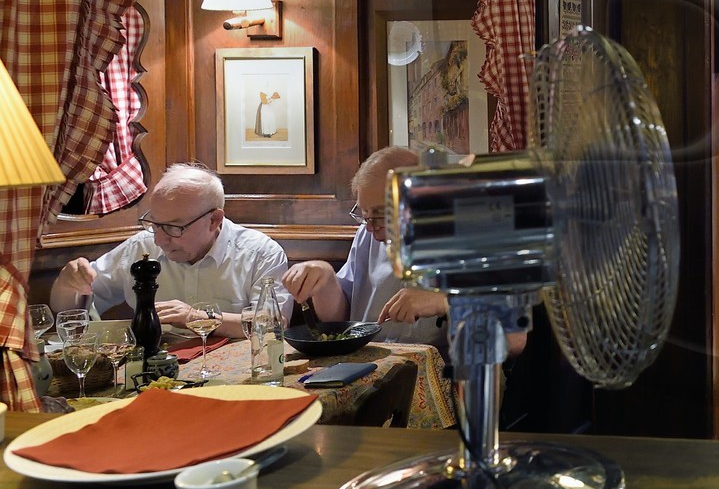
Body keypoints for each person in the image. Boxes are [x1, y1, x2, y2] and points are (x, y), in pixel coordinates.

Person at [282, 146, 513, 354]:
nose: (372, 227)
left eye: (382, 214)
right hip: (363, 365)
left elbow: (515, 340)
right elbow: (342, 318)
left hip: (434, 378)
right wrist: (325, 280)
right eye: (365, 215)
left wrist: (445, 301)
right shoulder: (367, 235)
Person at [49, 163, 290, 338]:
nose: (160, 239)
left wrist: (198, 318)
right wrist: (67, 283)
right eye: (154, 223)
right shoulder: (141, 246)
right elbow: (70, 312)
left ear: (214, 220)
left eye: (174, 227)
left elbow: (272, 324)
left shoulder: (260, 253)